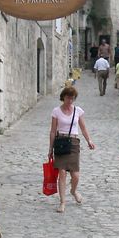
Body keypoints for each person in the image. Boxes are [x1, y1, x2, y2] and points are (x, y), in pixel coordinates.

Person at [49, 86, 95, 214]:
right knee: (62, 173)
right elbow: (53, 131)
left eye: (72, 98)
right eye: (68, 97)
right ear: (63, 97)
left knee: (75, 175)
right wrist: (50, 148)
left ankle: (73, 191)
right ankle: (62, 202)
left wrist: (89, 140)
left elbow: (83, 128)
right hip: (61, 143)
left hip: (74, 143)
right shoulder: (56, 111)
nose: (70, 100)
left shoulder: (78, 111)